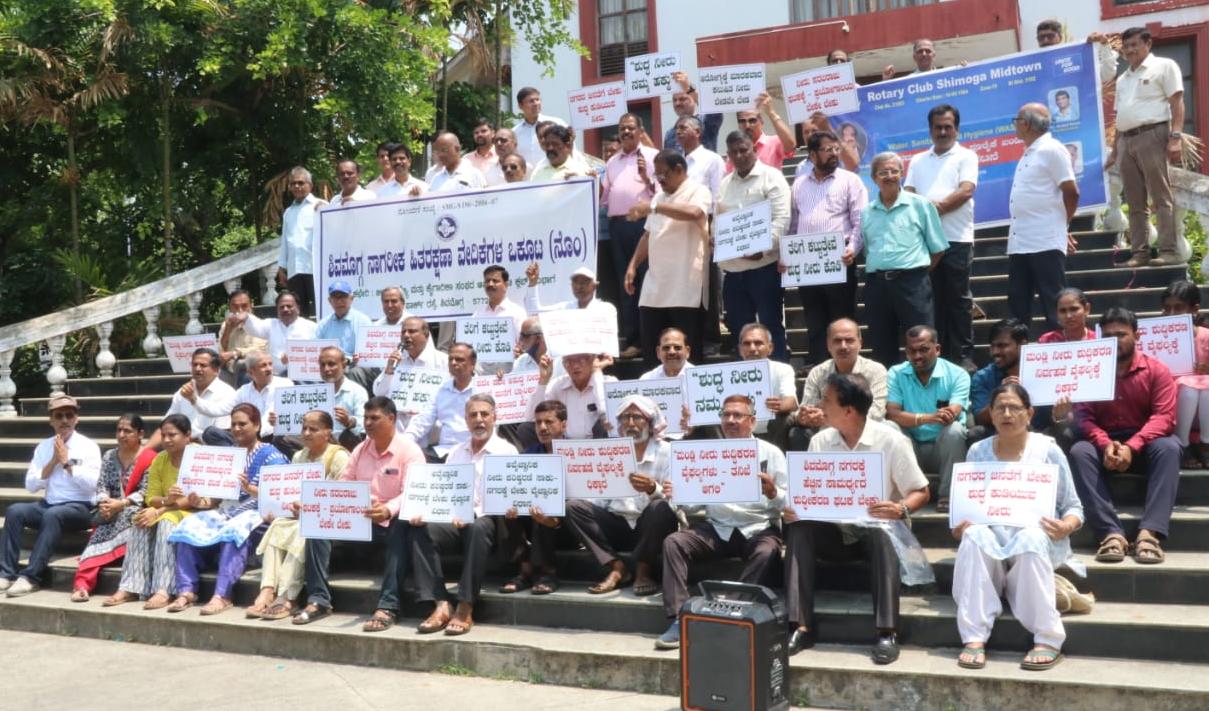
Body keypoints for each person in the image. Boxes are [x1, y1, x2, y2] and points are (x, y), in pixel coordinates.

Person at [783, 373, 930, 663]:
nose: (820, 405)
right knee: (799, 528)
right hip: (836, 532)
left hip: (878, 532)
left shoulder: (891, 440)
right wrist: (796, 508)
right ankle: (800, 626)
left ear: (849, 410)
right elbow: (809, 492)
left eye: (827, 400)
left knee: (883, 530)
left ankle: (887, 631)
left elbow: (921, 491)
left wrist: (900, 508)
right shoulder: (820, 441)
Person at [952, 383, 1084, 672]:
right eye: (1000, 408)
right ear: (991, 414)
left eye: (1014, 408)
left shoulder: (1048, 451)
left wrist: (1065, 526)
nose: (1007, 414)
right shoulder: (977, 451)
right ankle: (974, 635)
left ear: (1030, 413)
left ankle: (1047, 637)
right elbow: (965, 507)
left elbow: (1074, 507)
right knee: (973, 535)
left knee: (1031, 538)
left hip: (1035, 540)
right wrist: (960, 526)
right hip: (992, 541)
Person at [656, 394, 787, 650]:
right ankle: (680, 619)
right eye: (726, 415)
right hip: (717, 527)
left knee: (767, 551)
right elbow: (693, 507)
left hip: (758, 526)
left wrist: (773, 493)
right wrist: (678, 496)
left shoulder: (771, 454)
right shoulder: (706, 454)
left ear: (752, 421)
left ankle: (730, 611)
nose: (731, 420)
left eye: (737, 415)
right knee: (674, 542)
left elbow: (790, 502)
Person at [292, 398, 423, 632]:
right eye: (366, 418)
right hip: (357, 522)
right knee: (316, 526)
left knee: (401, 525)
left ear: (391, 418)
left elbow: (413, 493)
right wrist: (313, 505)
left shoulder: (409, 451)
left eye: (375, 418)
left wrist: (388, 509)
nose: (368, 423)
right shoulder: (360, 450)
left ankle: (388, 606)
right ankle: (319, 600)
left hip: (389, 522)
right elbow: (343, 487)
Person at [1069, 307, 1178, 565]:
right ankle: (1111, 533)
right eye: (1108, 336)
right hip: (1104, 444)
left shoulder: (1157, 370)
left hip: (1144, 442)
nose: (1115, 341)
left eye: (1121, 335)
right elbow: (1084, 417)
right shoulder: (1090, 371)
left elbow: (1164, 417)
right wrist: (1106, 443)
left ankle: (1149, 533)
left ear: (1137, 336)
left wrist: (1132, 445)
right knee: (1079, 451)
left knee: (1170, 448)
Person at [412, 394, 519, 636]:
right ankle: (441, 603)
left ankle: (465, 605)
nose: (479, 419)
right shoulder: (456, 453)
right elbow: (444, 492)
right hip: (456, 520)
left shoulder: (506, 451)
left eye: (484, 414)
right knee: (421, 529)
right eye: (473, 415)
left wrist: (471, 513)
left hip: (493, 523)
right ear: (466, 420)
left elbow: (505, 497)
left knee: (478, 525)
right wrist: (426, 511)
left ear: (495, 417)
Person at [166, 404, 289, 615]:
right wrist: (198, 502)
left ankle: (222, 595)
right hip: (226, 513)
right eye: (233, 424)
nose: (237, 429)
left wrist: (251, 489)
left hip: (258, 517)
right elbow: (214, 500)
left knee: (235, 530)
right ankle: (187, 590)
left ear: (257, 425)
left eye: (243, 424)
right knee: (189, 525)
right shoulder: (228, 456)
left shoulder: (272, 456)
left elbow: (279, 498)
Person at [565, 395, 679, 596]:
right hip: (617, 525)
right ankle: (617, 567)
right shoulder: (611, 452)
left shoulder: (668, 452)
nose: (631, 423)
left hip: (651, 530)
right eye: (625, 418)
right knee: (573, 507)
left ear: (650, 422)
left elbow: (677, 502)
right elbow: (599, 497)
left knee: (660, 507)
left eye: (637, 417)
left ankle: (643, 570)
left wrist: (653, 489)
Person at [253, 410, 350, 620]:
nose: (306, 433)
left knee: (304, 528)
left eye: (313, 429)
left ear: (328, 432)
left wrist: (311, 507)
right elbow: (290, 490)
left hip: (329, 524)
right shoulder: (299, 456)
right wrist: (278, 507)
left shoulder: (339, 457)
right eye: (304, 428)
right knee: (278, 524)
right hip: (300, 515)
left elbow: (343, 498)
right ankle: (267, 589)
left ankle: (288, 596)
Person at [0, 395, 101, 597]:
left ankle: (31, 577)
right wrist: (53, 461)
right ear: (51, 420)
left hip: (80, 508)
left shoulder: (89, 446)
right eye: (59, 416)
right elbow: (30, 485)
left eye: (69, 415)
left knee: (53, 514)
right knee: (15, 511)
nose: (64, 420)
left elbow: (93, 484)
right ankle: (6, 573)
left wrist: (66, 462)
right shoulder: (44, 447)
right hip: (49, 504)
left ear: (76, 419)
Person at [905, 104, 979, 371]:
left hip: (956, 238)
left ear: (956, 129)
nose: (943, 132)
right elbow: (909, 194)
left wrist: (934, 210)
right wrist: (926, 214)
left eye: (948, 127)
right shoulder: (917, 160)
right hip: (924, 243)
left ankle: (962, 356)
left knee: (957, 300)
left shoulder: (967, 156)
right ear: (930, 130)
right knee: (929, 302)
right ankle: (934, 357)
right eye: (938, 127)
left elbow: (966, 190)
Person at [624, 149, 712, 367]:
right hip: (656, 286)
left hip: (685, 285)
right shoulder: (658, 197)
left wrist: (654, 207)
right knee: (652, 354)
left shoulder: (698, 190)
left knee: (688, 354)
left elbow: (695, 213)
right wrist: (633, 266)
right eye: (657, 175)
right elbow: (647, 235)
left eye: (663, 174)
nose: (660, 180)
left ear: (679, 170)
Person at [787, 130, 867, 366]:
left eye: (836, 149)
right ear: (812, 155)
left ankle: (846, 366)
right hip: (808, 264)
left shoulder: (850, 180)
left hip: (839, 260)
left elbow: (860, 221)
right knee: (813, 318)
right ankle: (818, 365)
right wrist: (787, 255)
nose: (834, 154)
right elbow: (793, 224)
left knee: (841, 318)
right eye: (827, 150)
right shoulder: (799, 184)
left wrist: (853, 248)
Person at [861, 152, 948, 366]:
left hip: (913, 284)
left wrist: (915, 274)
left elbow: (938, 249)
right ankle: (887, 386)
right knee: (881, 344)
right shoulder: (867, 212)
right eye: (883, 172)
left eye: (894, 171)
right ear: (874, 178)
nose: (889, 176)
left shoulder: (920, 205)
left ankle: (928, 384)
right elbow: (868, 249)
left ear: (902, 174)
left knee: (922, 342)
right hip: (877, 286)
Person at [1109, 27, 1186, 266]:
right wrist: (1115, 149)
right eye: (1126, 46)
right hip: (1126, 140)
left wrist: (1175, 137)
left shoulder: (1164, 66)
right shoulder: (1123, 79)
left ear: (1148, 44)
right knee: (1134, 200)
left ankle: (1169, 251)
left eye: (1134, 44)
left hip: (1152, 134)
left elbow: (1177, 103)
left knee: (1161, 196)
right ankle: (1139, 253)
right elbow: (1120, 115)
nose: (1130, 50)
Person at [102, 414, 196, 608]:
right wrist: (165, 501)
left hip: (195, 511)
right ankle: (131, 586)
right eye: (164, 435)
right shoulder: (160, 459)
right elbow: (150, 498)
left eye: (172, 435)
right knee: (141, 519)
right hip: (168, 508)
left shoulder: (199, 456)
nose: (167, 440)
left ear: (187, 435)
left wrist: (161, 510)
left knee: (166, 521)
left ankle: (164, 590)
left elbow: (196, 498)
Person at [716, 131, 792, 360]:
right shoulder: (724, 184)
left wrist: (763, 248)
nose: (739, 156)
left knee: (770, 327)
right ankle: (746, 380)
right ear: (728, 155)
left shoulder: (772, 177)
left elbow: (782, 220)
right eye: (734, 152)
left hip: (764, 268)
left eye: (744, 150)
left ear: (754, 149)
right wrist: (716, 238)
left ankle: (779, 376)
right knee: (740, 332)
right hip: (733, 272)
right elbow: (717, 221)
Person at [1007, 103, 1079, 332]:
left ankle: (1061, 349)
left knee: (1053, 302)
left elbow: (1071, 191)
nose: (1015, 125)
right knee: (1017, 303)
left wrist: (1062, 226)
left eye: (1016, 120)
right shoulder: (1029, 152)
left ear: (1026, 124)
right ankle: (1018, 351)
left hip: (1045, 240)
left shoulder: (1052, 149)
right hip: (1020, 242)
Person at [71, 414, 156, 601]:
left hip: (135, 508)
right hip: (111, 510)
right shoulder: (109, 456)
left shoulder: (150, 458)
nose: (122, 435)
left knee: (130, 515)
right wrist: (105, 503)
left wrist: (122, 504)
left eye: (128, 431)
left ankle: (110, 575)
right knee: (104, 521)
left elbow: (147, 491)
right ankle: (82, 585)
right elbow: (102, 486)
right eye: (119, 430)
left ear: (140, 434)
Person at [885, 325, 969, 510]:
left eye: (923, 350)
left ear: (937, 349)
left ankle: (948, 495)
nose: (917, 356)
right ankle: (902, 494)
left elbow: (954, 410)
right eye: (912, 351)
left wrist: (948, 414)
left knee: (955, 430)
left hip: (943, 448)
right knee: (889, 427)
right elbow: (893, 413)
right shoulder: (896, 373)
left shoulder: (958, 374)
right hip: (911, 447)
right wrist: (929, 418)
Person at [603, 113, 660, 359]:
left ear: (640, 130)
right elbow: (605, 196)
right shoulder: (612, 162)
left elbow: (664, 192)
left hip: (644, 226)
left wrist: (647, 179)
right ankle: (633, 339)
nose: (626, 132)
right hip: (618, 226)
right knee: (625, 282)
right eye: (622, 128)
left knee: (646, 279)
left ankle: (651, 339)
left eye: (630, 128)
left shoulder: (653, 156)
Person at [499, 400, 566, 595]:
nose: (542, 427)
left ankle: (548, 573)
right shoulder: (529, 454)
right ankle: (525, 570)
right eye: (538, 422)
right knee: (508, 509)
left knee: (545, 508)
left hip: (566, 524)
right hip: (534, 519)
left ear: (563, 424)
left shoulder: (577, 453)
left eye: (549, 422)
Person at [789, 318, 887, 451]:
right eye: (837, 341)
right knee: (797, 434)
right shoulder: (817, 373)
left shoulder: (876, 371)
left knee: (890, 427)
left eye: (849, 340)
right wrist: (805, 417)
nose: (843, 346)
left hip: (864, 432)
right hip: (825, 434)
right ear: (828, 345)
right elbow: (807, 407)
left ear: (860, 343)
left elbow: (876, 412)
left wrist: (832, 419)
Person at [149, 348, 236, 449]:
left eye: (203, 365)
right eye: (194, 365)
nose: (197, 369)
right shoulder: (182, 393)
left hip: (210, 451)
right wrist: (143, 452)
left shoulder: (227, 393)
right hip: (180, 448)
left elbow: (221, 437)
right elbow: (165, 426)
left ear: (216, 370)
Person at [203, 350, 293, 448]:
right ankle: (241, 451)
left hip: (271, 436)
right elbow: (220, 409)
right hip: (248, 436)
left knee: (280, 436)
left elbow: (286, 417)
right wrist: (195, 400)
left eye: (270, 364)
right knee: (210, 433)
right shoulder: (244, 390)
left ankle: (246, 450)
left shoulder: (285, 384)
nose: (269, 369)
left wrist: (279, 421)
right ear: (250, 372)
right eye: (263, 365)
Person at [404, 343, 478, 461]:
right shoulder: (441, 390)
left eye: (459, 359)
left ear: (472, 364)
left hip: (475, 451)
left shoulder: (484, 389)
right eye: (450, 359)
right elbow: (424, 419)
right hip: (444, 452)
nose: (453, 363)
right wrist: (406, 440)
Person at [1162, 281, 1209, 468]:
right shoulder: (1157, 337)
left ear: (1194, 310)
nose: (1171, 314)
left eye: (1178, 308)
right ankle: (1182, 443)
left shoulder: (1206, 335)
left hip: (1204, 409)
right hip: (1174, 405)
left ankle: (1206, 443)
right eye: (1167, 308)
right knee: (1188, 388)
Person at [968, 319, 1038, 443]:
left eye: (1002, 346)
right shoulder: (982, 377)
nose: (995, 352)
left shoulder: (1042, 371)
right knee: (976, 433)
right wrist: (1000, 394)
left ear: (1022, 345)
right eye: (992, 346)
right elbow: (980, 418)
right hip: (999, 431)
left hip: (1038, 429)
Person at [529, 352, 616, 439]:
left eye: (581, 360)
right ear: (563, 365)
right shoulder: (558, 385)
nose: (575, 366)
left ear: (592, 360)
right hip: (566, 443)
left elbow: (609, 419)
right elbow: (533, 417)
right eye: (569, 361)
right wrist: (543, 380)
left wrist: (596, 372)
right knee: (526, 428)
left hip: (600, 443)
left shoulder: (608, 382)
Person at [276, 166, 325, 313]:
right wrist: (282, 267)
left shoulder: (320, 206)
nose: (297, 186)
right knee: (298, 313)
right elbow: (285, 241)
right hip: (294, 269)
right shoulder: (288, 212)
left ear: (310, 185)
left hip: (315, 268)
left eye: (301, 183)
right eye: (293, 183)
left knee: (319, 310)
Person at [242, 290, 318, 376]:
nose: (285, 309)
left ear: (298, 308)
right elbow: (254, 328)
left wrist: (295, 358)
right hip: (276, 376)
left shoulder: (311, 327)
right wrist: (245, 317)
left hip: (303, 376)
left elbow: (318, 352)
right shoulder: (271, 324)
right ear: (277, 310)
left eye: (289, 306)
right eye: (282, 307)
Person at [317, 280, 375, 389]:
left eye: (343, 297)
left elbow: (368, 353)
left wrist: (354, 359)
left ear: (351, 299)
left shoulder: (363, 321)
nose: (339, 301)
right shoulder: (323, 324)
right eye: (335, 297)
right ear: (330, 301)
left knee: (354, 372)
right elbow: (316, 351)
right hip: (329, 365)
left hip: (353, 365)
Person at [524, 263, 618, 324]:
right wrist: (533, 283)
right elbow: (534, 313)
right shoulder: (565, 308)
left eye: (584, 282)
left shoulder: (606, 309)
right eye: (575, 283)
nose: (579, 287)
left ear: (594, 286)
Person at [729, 92, 796, 172]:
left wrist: (771, 112)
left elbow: (791, 145)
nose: (747, 126)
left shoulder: (773, 142)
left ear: (761, 122)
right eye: (742, 121)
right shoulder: (735, 150)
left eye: (752, 120)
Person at [318, 345, 368, 450]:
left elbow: (365, 425)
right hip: (318, 442)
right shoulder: (314, 393)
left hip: (346, 445)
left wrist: (349, 421)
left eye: (331, 364)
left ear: (344, 365)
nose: (326, 369)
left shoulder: (357, 391)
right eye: (322, 365)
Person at [663, 71, 723, 153]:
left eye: (682, 99)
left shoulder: (706, 121)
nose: (677, 103)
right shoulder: (670, 134)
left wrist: (689, 88)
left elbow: (714, 107)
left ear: (693, 99)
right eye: (674, 100)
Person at [217, 288, 266, 386]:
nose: (240, 311)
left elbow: (259, 349)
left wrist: (235, 353)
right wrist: (228, 330)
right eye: (235, 307)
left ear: (251, 306)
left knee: (244, 369)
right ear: (230, 308)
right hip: (229, 369)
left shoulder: (258, 324)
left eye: (244, 306)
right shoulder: (226, 325)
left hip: (250, 368)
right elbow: (222, 350)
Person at [513, 87, 567, 170]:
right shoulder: (515, 132)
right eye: (531, 101)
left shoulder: (557, 123)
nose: (536, 103)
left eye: (537, 100)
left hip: (555, 174)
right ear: (520, 105)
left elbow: (570, 148)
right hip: (527, 177)